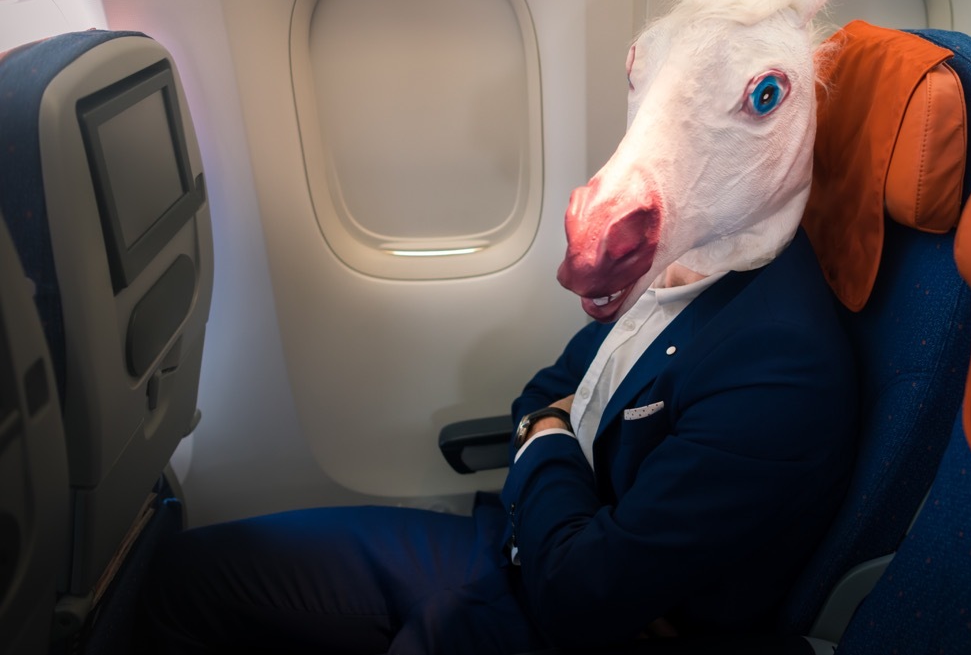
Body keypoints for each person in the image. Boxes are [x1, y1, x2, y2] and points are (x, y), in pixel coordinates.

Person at [135, 227, 856, 654]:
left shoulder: (779, 356)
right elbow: (542, 390)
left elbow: (581, 591)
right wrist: (550, 435)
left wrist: (547, 438)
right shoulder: (694, 266)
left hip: (561, 620)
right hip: (513, 548)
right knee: (183, 578)